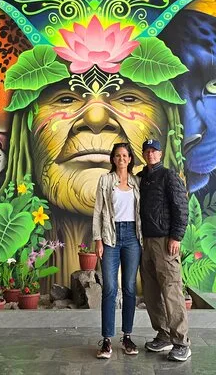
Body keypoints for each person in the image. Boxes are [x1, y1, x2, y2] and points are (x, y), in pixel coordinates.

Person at [138, 138, 190, 361]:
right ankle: (163, 335)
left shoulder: (168, 176)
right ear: (143, 154)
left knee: (171, 290)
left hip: (165, 241)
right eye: (147, 151)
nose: (150, 154)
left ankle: (181, 341)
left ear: (160, 154)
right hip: (146, 242)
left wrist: (176, 236)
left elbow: (181, 206)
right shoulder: (141, 178)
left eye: (154, 151)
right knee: (151, 292)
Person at [92, 142, 143, 359]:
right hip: (110, 237)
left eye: (125, 155)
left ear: (130, 159)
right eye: (117, 155)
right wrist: (98, 240)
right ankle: (106, 340)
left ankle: (127, 336)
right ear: (113, 159)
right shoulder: (105, 180)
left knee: (130, 288)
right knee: (110, 288)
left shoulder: (137, 182)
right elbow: (98, 211)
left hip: (132, 237)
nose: (121, 158)